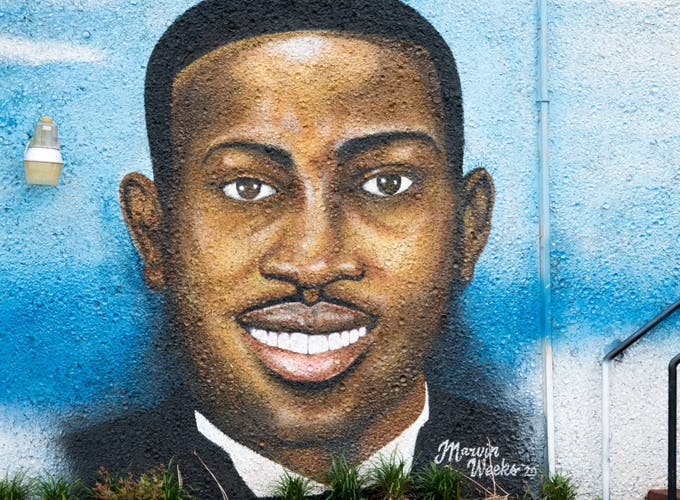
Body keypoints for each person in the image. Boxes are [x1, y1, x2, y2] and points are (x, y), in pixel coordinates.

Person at [64, 0, 537, 496]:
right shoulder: (71, 473)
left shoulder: (532, 459)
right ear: (154, 233)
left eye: (387, 183)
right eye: (247, 188)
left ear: (468, 227)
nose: (314, 262)